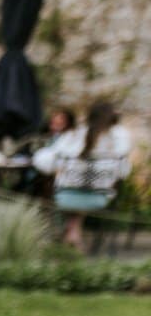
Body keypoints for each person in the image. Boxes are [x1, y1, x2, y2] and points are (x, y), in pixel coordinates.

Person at [34, 101, 135, 252]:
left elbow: (44, 162)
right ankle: (74, 234)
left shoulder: (73, 136)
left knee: (72, 190)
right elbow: (123, 172)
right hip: (99, 198)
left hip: (65, 196)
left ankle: (71, 233)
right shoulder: (117, 140)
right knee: (84, 190)